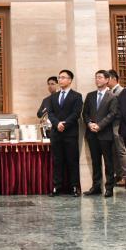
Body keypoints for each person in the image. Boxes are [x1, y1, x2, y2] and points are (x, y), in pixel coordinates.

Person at [46, 69, 83, 197]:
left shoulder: (76, 96)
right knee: (57, 161)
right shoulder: (53, 97)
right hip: (56, 133)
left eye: (63, 77)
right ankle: (57, 186)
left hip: (70, 133)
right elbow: (50, 113)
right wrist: (57, 124)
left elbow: (76, 113)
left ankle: (74, 187)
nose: (60, 80)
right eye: (59, 77)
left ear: (70, 80)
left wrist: (65, 124)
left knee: (72, 160)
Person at [83, 70, 120, 197]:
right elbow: (85, 113)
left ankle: (109, 187)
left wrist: (100, 125)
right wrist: (89, 123)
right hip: (92, 134)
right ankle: (96, 186)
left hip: (105, 134)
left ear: (107, 80)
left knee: (108, 162)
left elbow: (112, 114)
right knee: (95, 161)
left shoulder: (112, 96)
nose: (97, 80)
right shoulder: (90, 95)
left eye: (100, 77)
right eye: (96, 77)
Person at [105, 70, 126, 187]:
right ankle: (118, 175)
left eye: (107, 78)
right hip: (110, 125)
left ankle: (125, 176)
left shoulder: (122, 91)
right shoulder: (108, 92)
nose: (105, 81)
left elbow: (123, 110)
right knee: (113, 151)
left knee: (121, 151)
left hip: (119, 124)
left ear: (114, 78)